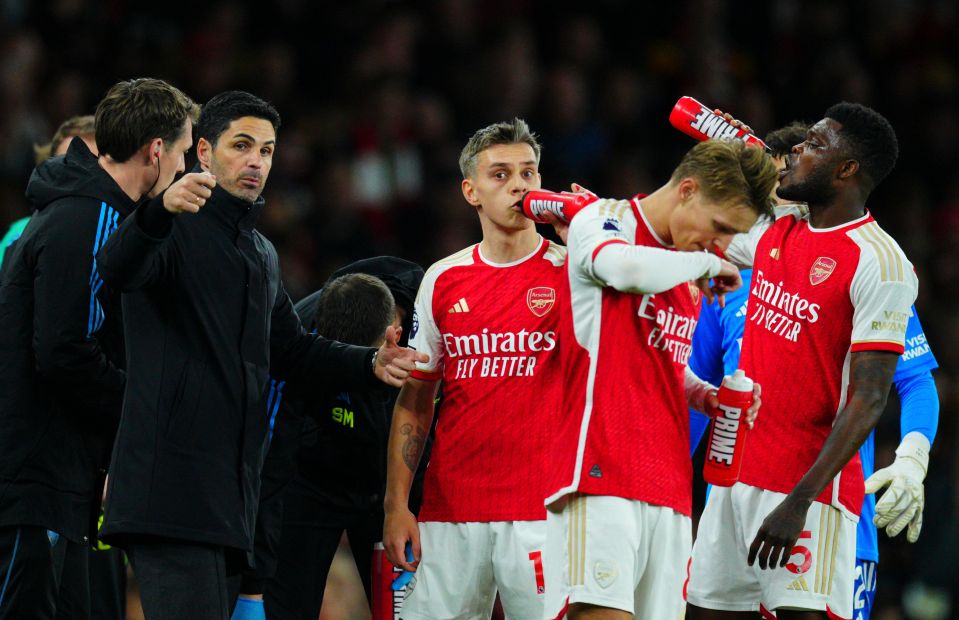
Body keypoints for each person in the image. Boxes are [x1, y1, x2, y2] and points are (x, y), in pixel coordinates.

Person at [96, 91, 426, 620]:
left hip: (229, 502)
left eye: (267, 151)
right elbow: (115, 271)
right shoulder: (168, 225)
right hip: (170, 496)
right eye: (242, 145)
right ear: (203, 151)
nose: (256, 161)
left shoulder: (259, 252)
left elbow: (292, 349)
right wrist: (157, 213)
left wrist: (367, 364)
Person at [686, 123, 940, 620]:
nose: (797, 159)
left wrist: (913, 455)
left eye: (810, 150)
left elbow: (896, 387)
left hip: (813, 496)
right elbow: (697, 390)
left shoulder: (877, 265)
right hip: (733, 486)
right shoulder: (755, 253)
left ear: (843, 170)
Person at [542, 138, 775, 620]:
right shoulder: (604, 220)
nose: (723, 246)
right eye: (720, 228)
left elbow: (667, 363)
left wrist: (705, 395)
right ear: (687, 190)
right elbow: (622, 269)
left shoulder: (684, 270)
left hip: (668, 486)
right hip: (600, 473)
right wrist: (707, 263)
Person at [0, 78, 198, 619]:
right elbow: (66, 349)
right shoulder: (93, 218)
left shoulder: (78, 212)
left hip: (54, 475)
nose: (183, 170)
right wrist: (142, 411)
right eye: (182, 152)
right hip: (36, 476)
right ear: (156, 151)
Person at [382, 118, 569, 620]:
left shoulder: (575, 272)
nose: (520, 186)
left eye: (529, 173)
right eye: (501, 175)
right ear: (471, 191)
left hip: (545, 512)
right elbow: (416, 400)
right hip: (451, 513)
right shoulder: (443, 279)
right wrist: (396, 506)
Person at [258, 258, 426, 619]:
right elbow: (276, 425)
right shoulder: (301, 326)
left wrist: (407, 502)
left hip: (397, 487)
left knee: (409, 613)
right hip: (314, 478)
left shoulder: (434, 319)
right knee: (284, 609)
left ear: (394, 330)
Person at [0, 114, 98, 268]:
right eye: (66, 164)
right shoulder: (18, 235)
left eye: (88, 165)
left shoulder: (123, 234)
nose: (75, 179)